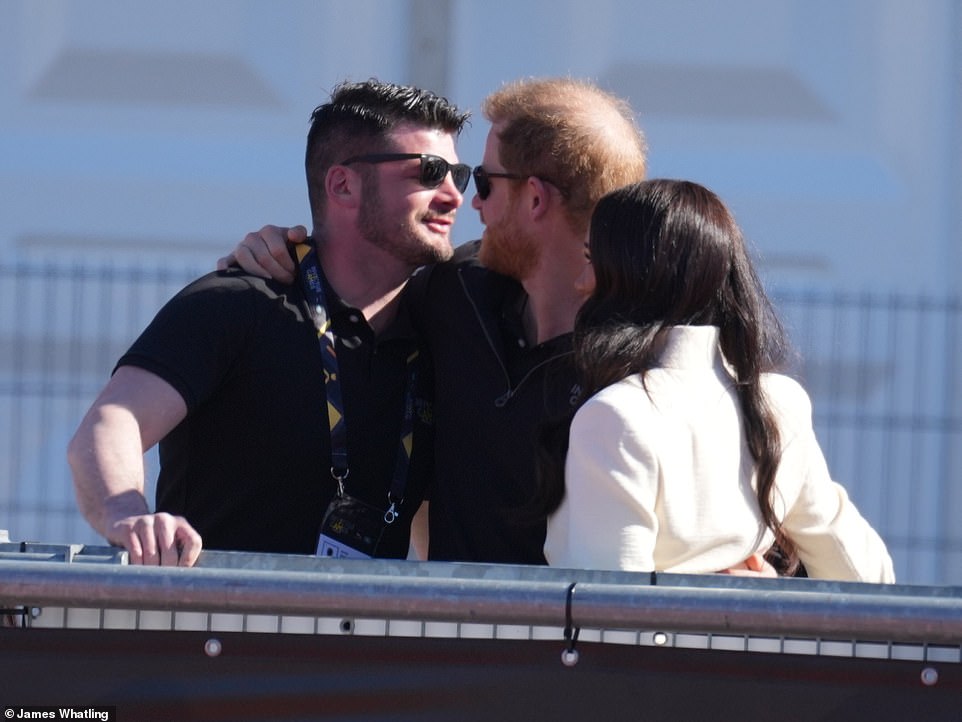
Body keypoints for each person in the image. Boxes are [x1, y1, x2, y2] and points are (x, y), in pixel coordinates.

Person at [221, 78, 649, 565]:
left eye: (483, 182)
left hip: (573, 638)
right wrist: (284, 252)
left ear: (535, 200)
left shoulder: (645, 355)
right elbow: (356, 278)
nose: (471, 202)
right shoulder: (455, 290)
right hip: (443, 631)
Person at [68, 79, 471, 566]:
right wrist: (126, 514)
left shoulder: (444, 328)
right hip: (213, 632)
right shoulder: (237, 303)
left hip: (360, 638)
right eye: (429, 172)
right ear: (343, 184)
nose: (454, 197)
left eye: (460, 175)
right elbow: (114, 421)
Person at [536, 179, 895, 582]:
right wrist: (747, 597)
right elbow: (866, 574)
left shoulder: (615, 417)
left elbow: (611, 615)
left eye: (592, 260)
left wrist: (723, 595)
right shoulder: (778, 403)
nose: (581, 281)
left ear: (635, 276)